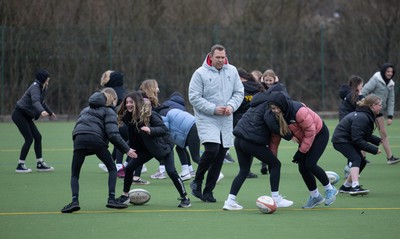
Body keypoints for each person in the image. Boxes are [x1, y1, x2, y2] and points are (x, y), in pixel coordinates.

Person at [61, 88, 137, 213]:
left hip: (79, 139)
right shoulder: (108, 111)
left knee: (75, 174)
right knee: (112, 168)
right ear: (112, 99)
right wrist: (127, 149)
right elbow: (113, 134)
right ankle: (111, 199)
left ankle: (74, 202)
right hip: (96, 140)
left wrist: (78, 143)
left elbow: (76, 127)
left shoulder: (85, 109)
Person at [188, 44, 244, 202]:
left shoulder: (232, 71)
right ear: (210, 56)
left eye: (222, 57)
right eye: (217, 57)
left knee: (220, 155)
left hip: (226, 118)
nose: (220, 60)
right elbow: (194, 97)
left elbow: (239, 92)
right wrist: (213, 109)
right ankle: (197, 181)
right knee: (212, 149)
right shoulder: (200, 73)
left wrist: (231, 106)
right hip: (207, 117)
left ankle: (208, 192)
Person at [116, 91, 191, 208]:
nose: (128, 105)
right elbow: (133, 137)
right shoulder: (128, 117)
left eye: (131, 102)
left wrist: (150, 130)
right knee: (130, 168)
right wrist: (130, 149)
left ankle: (185, 198)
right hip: (146, 149)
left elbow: (164, 129)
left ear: (137, 102)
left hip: (162, 146)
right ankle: (125, 196)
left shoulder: (151, 115)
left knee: (171, 171)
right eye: (127, 102)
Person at [223, 90, 294, 210]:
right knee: (275, 164)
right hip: (250, 141)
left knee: (243, 171)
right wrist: (289, 135)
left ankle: (229, 202)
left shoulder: (257, 103)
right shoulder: (269, 107)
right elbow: (271, 122)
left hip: (239, 139)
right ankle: (276, 199)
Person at [267, 91, 337, 209]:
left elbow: (311, 132)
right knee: (302, 167)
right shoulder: (278, 114)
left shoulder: (299, 111)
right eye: (272, 108)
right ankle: (315, 196)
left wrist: (301, 152)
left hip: (319, 134)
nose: (274, 111)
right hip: (305, 138)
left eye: (275, 108)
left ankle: (330, 189)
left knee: (310, 164)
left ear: (282, 105)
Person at [97, 71, 148, 184]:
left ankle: (121, 166)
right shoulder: (123, 92)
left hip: (123, 123)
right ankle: (122, 165)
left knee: (121, 142)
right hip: (127, 123)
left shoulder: (111, 93)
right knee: (125, 142)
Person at [332, 94, 382, 196]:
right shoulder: (362, 117)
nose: (381, 107)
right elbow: (357, 139)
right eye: (379, 105)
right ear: (372, 106)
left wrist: (377, 140)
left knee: (362, 162)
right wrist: (374, 149)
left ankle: (346, 186)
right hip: (341, 140)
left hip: (347, 140)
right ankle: (355, 187)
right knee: (356, 159)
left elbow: (363, 133)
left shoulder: (365, 115)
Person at [12, 69, 56, 173]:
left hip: (26, 115)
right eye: (47, 80)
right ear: (43, 79)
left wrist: (50, 112)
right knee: (29, 139)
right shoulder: (35, 87)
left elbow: (42, 102)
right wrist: (41, 111)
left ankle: (40, 163)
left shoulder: (42, 88)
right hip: (19, 115)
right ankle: (20, 165)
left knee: (38, 137)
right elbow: (35, 101)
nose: (48, 82)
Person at [361, 63, 400, 165]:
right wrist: (365, 105)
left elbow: (391, 100)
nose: (390, 73)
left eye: (391, 72)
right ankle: (362, 158)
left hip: (379, 111)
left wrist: (390, 116)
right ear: (383, 71)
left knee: (383, 133)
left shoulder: (391, 84)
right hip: (368, 111)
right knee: (363, 133)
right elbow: (363, 92)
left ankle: (390, 157)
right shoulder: (375, 80)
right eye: (388, 71)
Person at [232, 68, 265, 179]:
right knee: (249, 144)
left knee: (240, 144)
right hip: (254, 119)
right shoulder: (257, 86)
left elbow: (235, 105)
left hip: (238, 119)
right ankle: (248, 170)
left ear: (240, 77)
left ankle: (244, 170)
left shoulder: (238, 88)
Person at [338, 75, 366, 177]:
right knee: (355, 150)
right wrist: (362, 96)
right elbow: (362, 106)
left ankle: (351, 168)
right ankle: (350, 170)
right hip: (348, 126)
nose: (362, 87)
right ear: (357, 85)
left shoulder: (350, 94)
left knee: (354, 149)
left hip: (347, 124)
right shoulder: (352, 95)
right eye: (361, 85)